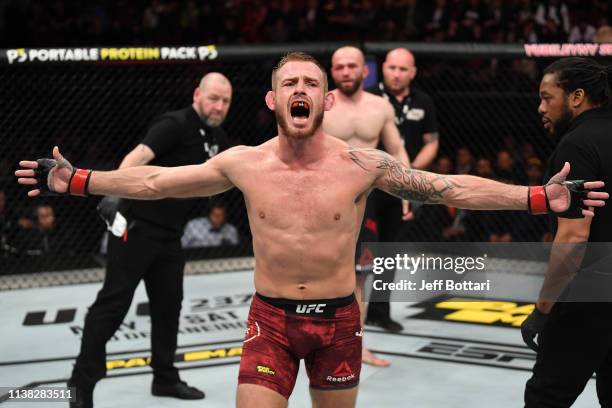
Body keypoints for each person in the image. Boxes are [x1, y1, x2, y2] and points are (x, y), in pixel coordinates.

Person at [16, 52, 607, 408]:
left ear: (326, 99)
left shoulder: (361, 164)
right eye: (291, 84)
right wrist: (79, 181)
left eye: (312, 83)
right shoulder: (242, 163)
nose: (302, 90)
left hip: (338, 321)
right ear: (274, 99)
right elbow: (156, 182)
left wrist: (537, 197)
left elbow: (447, 186)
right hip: (269, 320)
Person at [60, 72, 232, 407]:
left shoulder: (217, 137)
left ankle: (164, 378)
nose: (219, 106)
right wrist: (113, 194)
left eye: (226, 101)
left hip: (171, 236)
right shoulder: (175, 123)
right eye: (214, 98)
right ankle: (80, 384)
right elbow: (137, 156)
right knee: (112, 305)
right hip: (138, 228)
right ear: (197, 94)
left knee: (169, 307)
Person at [521, 57, 612, 407]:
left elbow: (574, 237)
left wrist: (543, 309)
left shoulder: (577, 145)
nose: (540, 107)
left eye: (547, 97)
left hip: (590, 294)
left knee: (547, 396)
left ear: (576, 97)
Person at [323, 45, 411, 366]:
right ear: (332, 72)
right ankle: (312, 342)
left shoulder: (380, 107)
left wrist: (407, 190)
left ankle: (353, 347)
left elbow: (397, 150)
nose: (346, 72)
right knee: (318, 274)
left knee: (360, 277)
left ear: (365, 71)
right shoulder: (322, 105)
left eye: (352, 66)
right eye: (339, 67)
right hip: (322, 200)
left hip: (363, 202)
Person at [366, 47, 441, 334]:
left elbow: (431, 141)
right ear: (384, 68)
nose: (396, 74)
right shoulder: (368, 97)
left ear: (413, 72)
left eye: (403, 69)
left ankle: (379, 311)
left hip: (401, 187)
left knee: (390, 250)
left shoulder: (423, 101)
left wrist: (407, 175)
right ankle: (346, 311)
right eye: (392, 68)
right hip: (369, 184)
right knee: (359, 247)